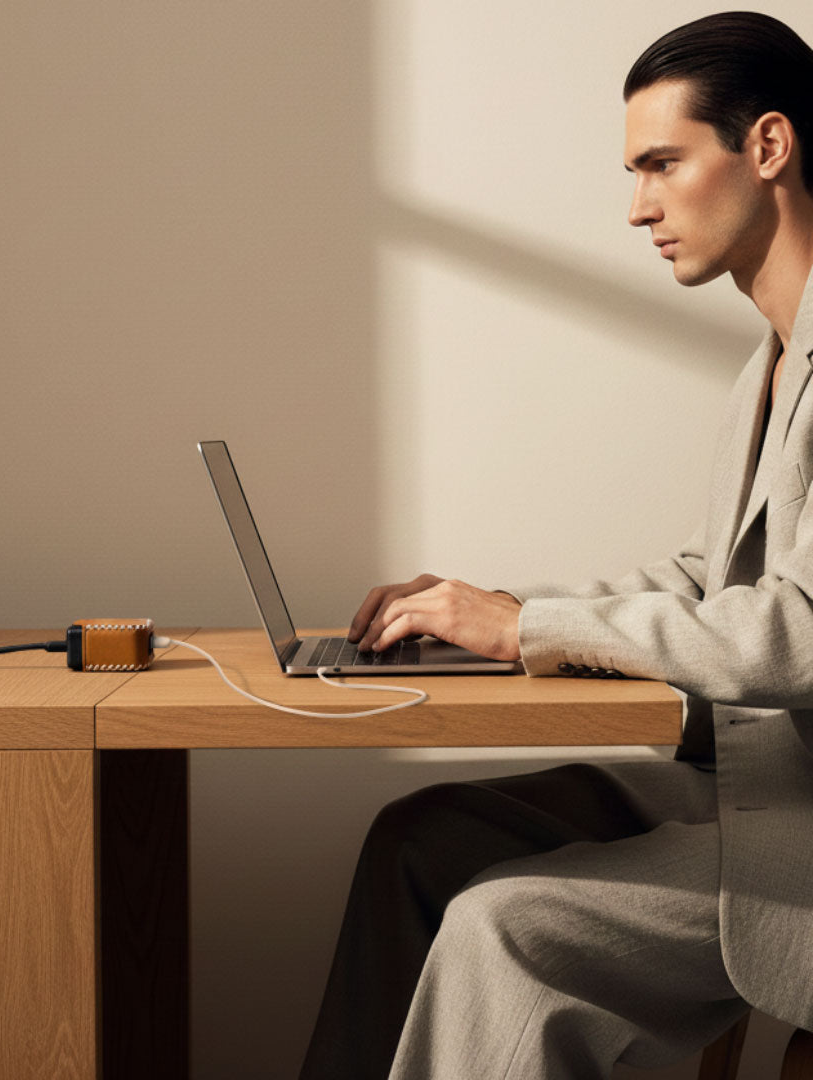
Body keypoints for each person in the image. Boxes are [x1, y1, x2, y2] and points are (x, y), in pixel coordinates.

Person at [299, 11, 813, 1079]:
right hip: (749, 779)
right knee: (423, 838)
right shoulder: (766, 365)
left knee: (504, 926)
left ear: (767, 147)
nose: (637, 208)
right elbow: (699, 582)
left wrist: (526, 627)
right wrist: (484, 612)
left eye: (662, 165)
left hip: (795, 819)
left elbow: (799, 634)